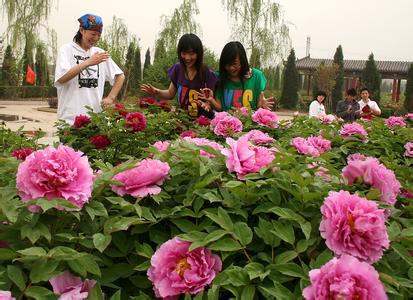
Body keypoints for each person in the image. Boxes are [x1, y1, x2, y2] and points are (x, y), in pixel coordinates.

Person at [54, 13, 125, 125]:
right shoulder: (66, 50)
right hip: (70, 120)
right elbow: (61, 79)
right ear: (82, 30)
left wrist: (111, 97)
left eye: (98, 35)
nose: (95, 38)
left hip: (95, 119)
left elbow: (120, 76)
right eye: (93, 34)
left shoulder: (100, 53)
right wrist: (88, 62)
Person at [141, 33, 219, 118]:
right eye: (184, 53)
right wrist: (157, 92)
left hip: (203, 124)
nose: (187, 58)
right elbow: (170, 94)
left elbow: (212, 99)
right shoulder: (178, 69)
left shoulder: (207, 73)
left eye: (191, 54)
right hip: (182, 120)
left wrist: (207, 105)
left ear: (198, 54)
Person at [211, 41, 274, 112]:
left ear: (242, 61)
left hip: (249, 122)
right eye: (227, 64)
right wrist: (210, 100)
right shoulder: (219, 77)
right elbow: (219, 108)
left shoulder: (256, 76)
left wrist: (262, 105)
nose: (231, 68)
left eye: (234, 64)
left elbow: (258, 104)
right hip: (227, 122)